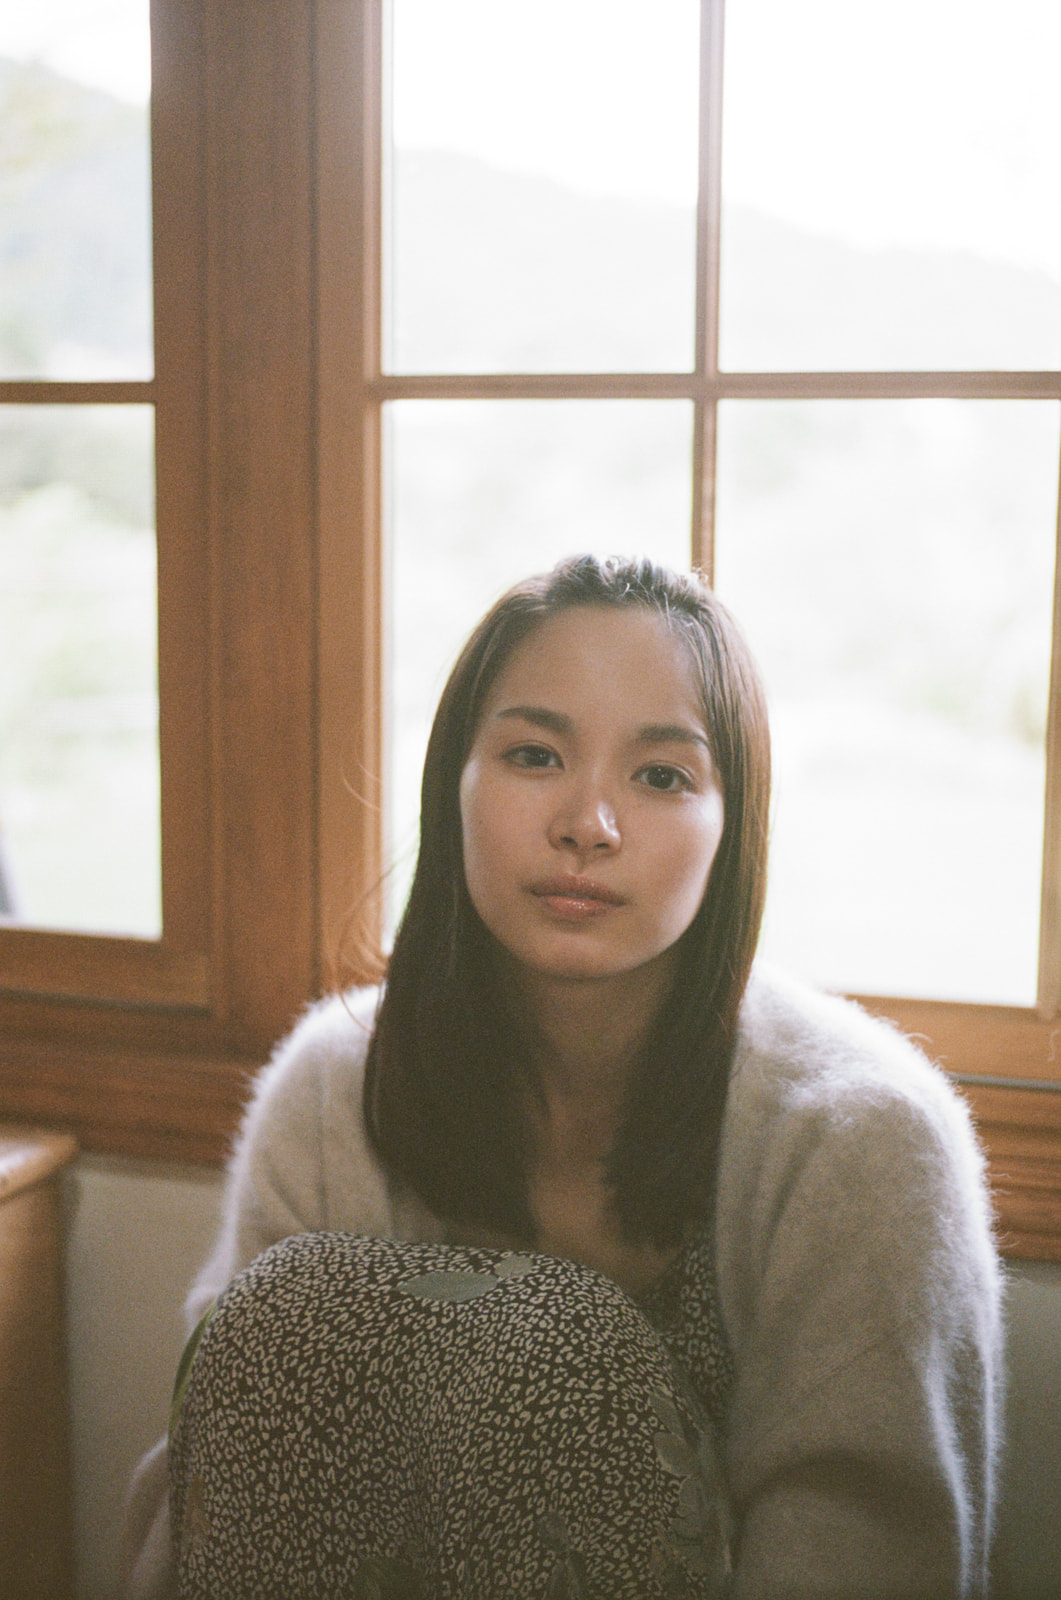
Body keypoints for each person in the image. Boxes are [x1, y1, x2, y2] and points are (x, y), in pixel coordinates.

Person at [122, 554, 1003, 1599]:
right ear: (452, 784)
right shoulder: (331, 1087)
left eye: (661, 776)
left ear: (733, 826)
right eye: (534, 755)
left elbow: (871, 1554)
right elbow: (221, 1482)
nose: (588, 823)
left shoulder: (863, 1139)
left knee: (552, 1344)